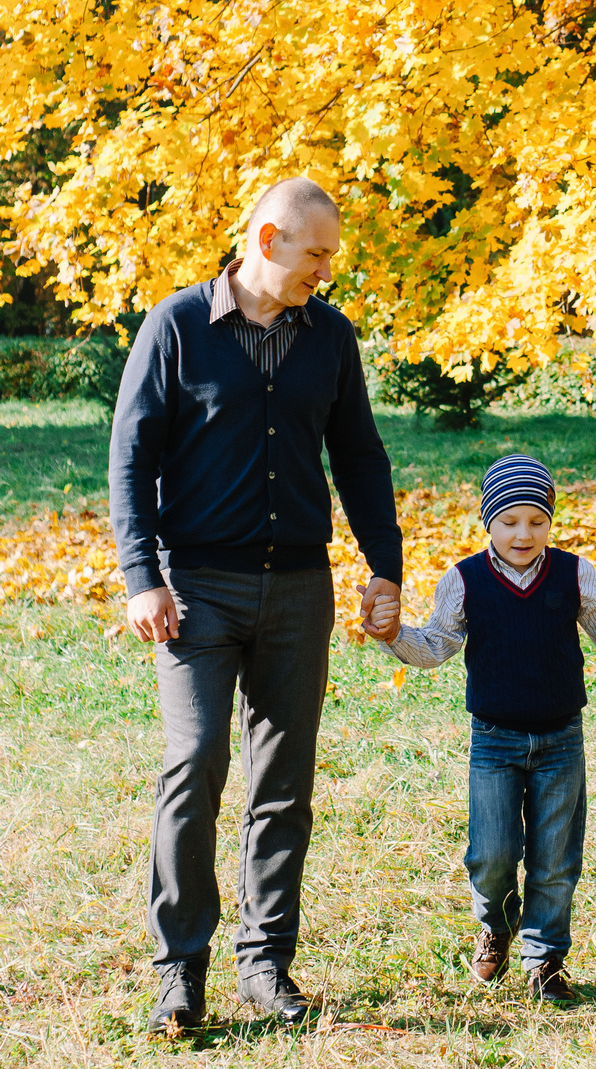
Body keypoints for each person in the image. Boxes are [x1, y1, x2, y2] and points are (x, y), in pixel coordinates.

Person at [109, 177, 403, 1035]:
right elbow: (131, 460)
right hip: (194, 591)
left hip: (300, 589)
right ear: (268, 241)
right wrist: (140, 577)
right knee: (193, 764)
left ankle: (266, 964)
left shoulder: (330, 338)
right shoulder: (175, 329)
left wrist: (383, 566)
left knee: (283, 784)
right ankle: (179, 972)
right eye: (316, 254)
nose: (325, 271)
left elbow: (361, 458)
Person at [367, 453, 596, 1003]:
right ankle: (495, 924)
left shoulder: (573, 574)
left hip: (561, 739)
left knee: (555, 858)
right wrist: (393, 633)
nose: (524, 532)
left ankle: (545, 959)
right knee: (491, 856)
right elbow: (437, 645)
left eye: (537, 520)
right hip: (495, 741)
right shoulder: (464, 581)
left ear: (550, 521)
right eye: (509, 521)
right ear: (488, 523)